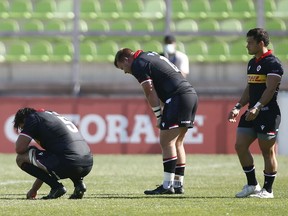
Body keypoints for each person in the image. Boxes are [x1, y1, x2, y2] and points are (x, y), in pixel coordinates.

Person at [114, 48, 198, 195]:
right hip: (189, 95)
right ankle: (177, 183)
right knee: (178, 142)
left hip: (177, 97)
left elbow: (149, 90)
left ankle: (167, 185)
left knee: (166, 142)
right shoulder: (149, 55)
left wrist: (159, 116)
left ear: (126, 59)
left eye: (123, 67)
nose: (125, 72)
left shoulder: (138, 64)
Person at [228, 28, 284, 198]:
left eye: (250, 42)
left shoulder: (273, 63)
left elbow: (270, 89)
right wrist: (238, 106)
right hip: (251, 110)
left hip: (267, 112)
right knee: (240, 146)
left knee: (267, 151)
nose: (247, 46)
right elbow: (250, 87)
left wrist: (257, 106)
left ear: (261, 43)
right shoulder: (252, 62)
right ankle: (252, 184)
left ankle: (268, 190)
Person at [13, 107, 93, 199]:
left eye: (22, 127)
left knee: (21, 158)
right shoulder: (51, 115)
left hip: (69, 163)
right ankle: (79, 185)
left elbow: (19, 149)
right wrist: (34, 189)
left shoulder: (32, 118)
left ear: (24, 120)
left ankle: (56, 187)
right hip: (88, 163)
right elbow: (45, 165)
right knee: (65, 154)